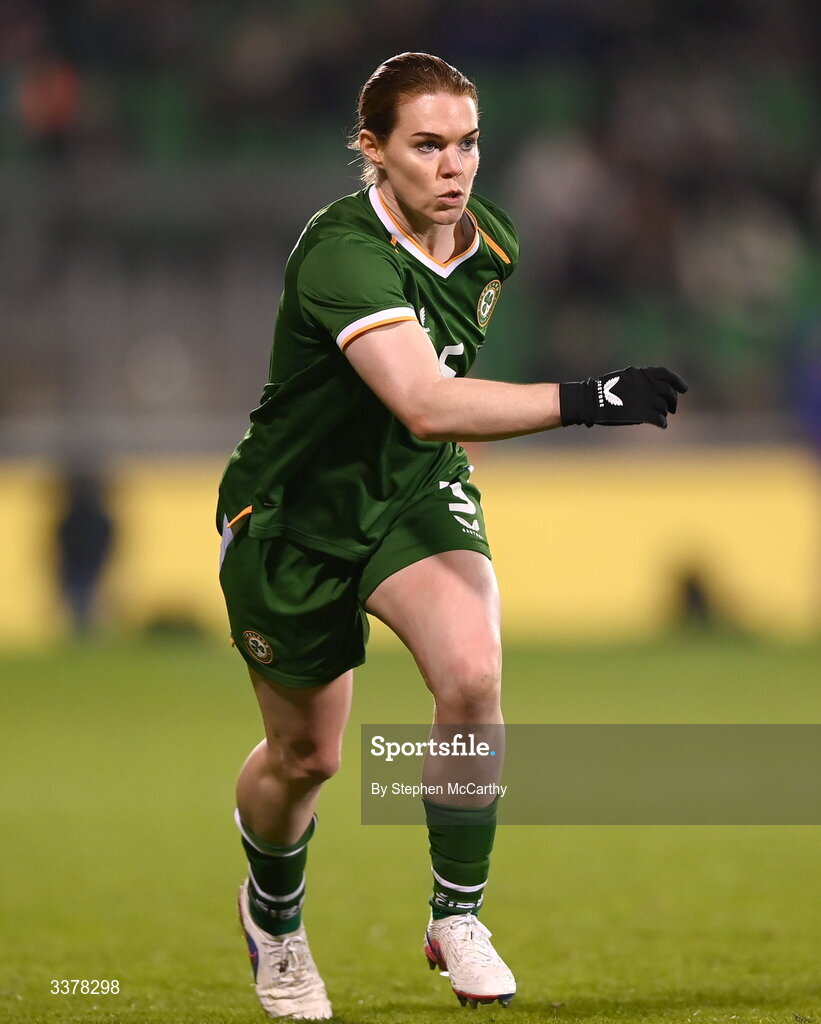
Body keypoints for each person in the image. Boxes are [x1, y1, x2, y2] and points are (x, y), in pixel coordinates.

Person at [216, 51, 687, 1020]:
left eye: (466, 142)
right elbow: (426, 400)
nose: (451, 165)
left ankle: (455, 913)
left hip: (413, 491)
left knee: (471, 674)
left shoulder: (490, 246)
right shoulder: (342, 251)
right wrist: (589, 399)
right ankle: (273, 915)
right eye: (425, 144)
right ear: (373, 151)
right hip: (294, 517)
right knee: (307, 758)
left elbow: (433, 430)